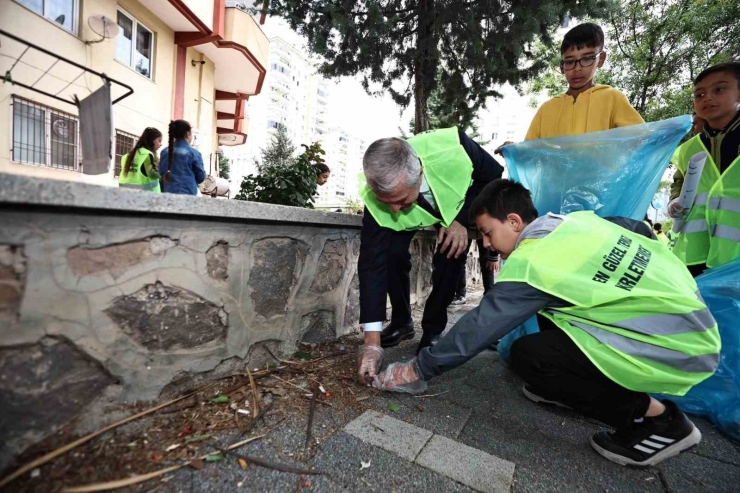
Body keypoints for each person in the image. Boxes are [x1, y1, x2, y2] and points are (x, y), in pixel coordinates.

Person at [373, 179, 720, 467]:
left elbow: (478, 327)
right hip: (691, 317)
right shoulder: (574, 223)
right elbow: (638, 228)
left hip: (675, 346)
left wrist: (418, 369)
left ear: (513, 221)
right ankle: (567, 385)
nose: (488, 245)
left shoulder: (535, 259)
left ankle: (659, 420)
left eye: (487, 232)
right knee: (551, 306)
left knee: (531, 357)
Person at [356, 127, 504, 384]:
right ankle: (402, 322)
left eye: (399, 199)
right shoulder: (379, 197)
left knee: (451, 251)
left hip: (454, 207)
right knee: (390, 254)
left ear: (420, 173)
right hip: (418, 210)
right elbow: (371, 264)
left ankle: (433, 330)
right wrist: (371, 343)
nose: (392, 209)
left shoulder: (454, 147)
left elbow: (493, 176)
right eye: (385, 200)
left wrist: (460, 220)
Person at [669, 62, 740, 275]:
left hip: (734, 257)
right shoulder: (688, 149)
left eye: (719, 89)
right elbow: (679, 183)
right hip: (694, 256)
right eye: (699, 95)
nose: (707, 98)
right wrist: (674, 202)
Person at [524, 23, 643, 141]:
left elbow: (642, 140)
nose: (577, 68)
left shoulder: (613, 100)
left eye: (586, 59)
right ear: (562, 66)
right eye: (570, 62)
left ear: (601, 59)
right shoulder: (546, 110)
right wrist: (512, 149)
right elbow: (528, 153)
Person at [158, 120, 206, 195]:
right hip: (187, 196)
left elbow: (161, 172)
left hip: (167, 195)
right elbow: (201, 177)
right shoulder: (194, 153)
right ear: (187, 134)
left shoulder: (164, 151)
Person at [451, 240, 497, 305]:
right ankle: (460, 295)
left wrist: (494, 256)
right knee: (459, 259)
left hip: (484, 232)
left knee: (487, 262)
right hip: (467, 231)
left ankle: (489, 297)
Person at [118, 127, 163, 192]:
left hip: (125, 195)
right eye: (159, 140)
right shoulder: (148, 155)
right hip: (147, 197)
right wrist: (162, 175)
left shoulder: (126, 156)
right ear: (152, 140)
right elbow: (152, 175)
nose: (160, 144)